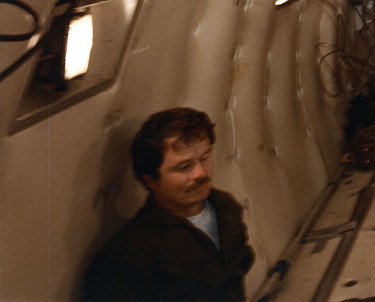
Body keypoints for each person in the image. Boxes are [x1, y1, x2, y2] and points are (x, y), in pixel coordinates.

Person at [83, 108, 255, 301]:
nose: (201, 173)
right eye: (184, 167)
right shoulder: (130, 253)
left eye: (205, 158)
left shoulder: (225, 207)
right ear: (151, 180)